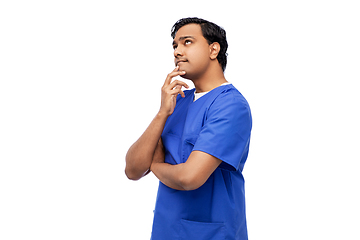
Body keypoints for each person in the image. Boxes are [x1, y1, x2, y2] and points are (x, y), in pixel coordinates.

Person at [125, 17, 252, 240]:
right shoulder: (178, 101)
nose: (177, 51)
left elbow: (190, 177)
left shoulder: (230, 105)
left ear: (214, 49)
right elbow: (133, 170)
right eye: (174, 45)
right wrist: (162, 113)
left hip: (210, 233)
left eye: (187, 42)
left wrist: (154, 164)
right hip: (166, 230)